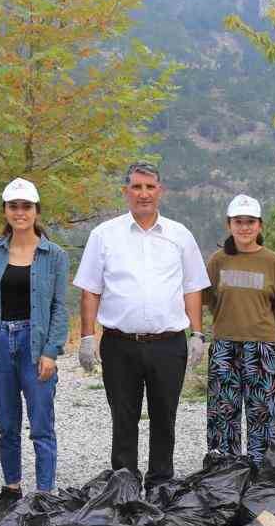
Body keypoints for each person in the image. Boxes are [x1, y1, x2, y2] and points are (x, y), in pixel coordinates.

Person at [73, 161, 209, 486]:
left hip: (169, 343)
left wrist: (198, 333)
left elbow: (192, 287)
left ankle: (161, 482)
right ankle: (125, 482)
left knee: (165, 416)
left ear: (160, 191)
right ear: (126, 192)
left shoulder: (180, 235)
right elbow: (90, 290)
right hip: (120, 344)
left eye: (149, 187)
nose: (143, 194)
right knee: (124, 416)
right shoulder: (104, 236)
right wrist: (87, 337)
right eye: (136, 187)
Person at [0, 178, 70, 517]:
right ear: (5, 210)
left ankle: (45, 492)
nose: (20, 212)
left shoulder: (54, 255)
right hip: (0, 342)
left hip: (36, 344)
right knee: (7, 421)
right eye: (13, 206)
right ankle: (11, 487)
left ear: (36, 211)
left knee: (41, 421)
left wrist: (51, 351)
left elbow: (60, 307)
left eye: (26, 207)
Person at [204, 194, 275, 464]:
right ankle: (225, 471)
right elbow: (211, 299)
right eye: (238, 222)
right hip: (225, 345)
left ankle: (260, 471)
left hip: (262, 345)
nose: (244, 227)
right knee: (222, 413)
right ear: (229, 225)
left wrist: (256, 326)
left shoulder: (273, 261)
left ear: (260, 226)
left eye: (250, 222)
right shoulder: (218, 260)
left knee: (261, 412)